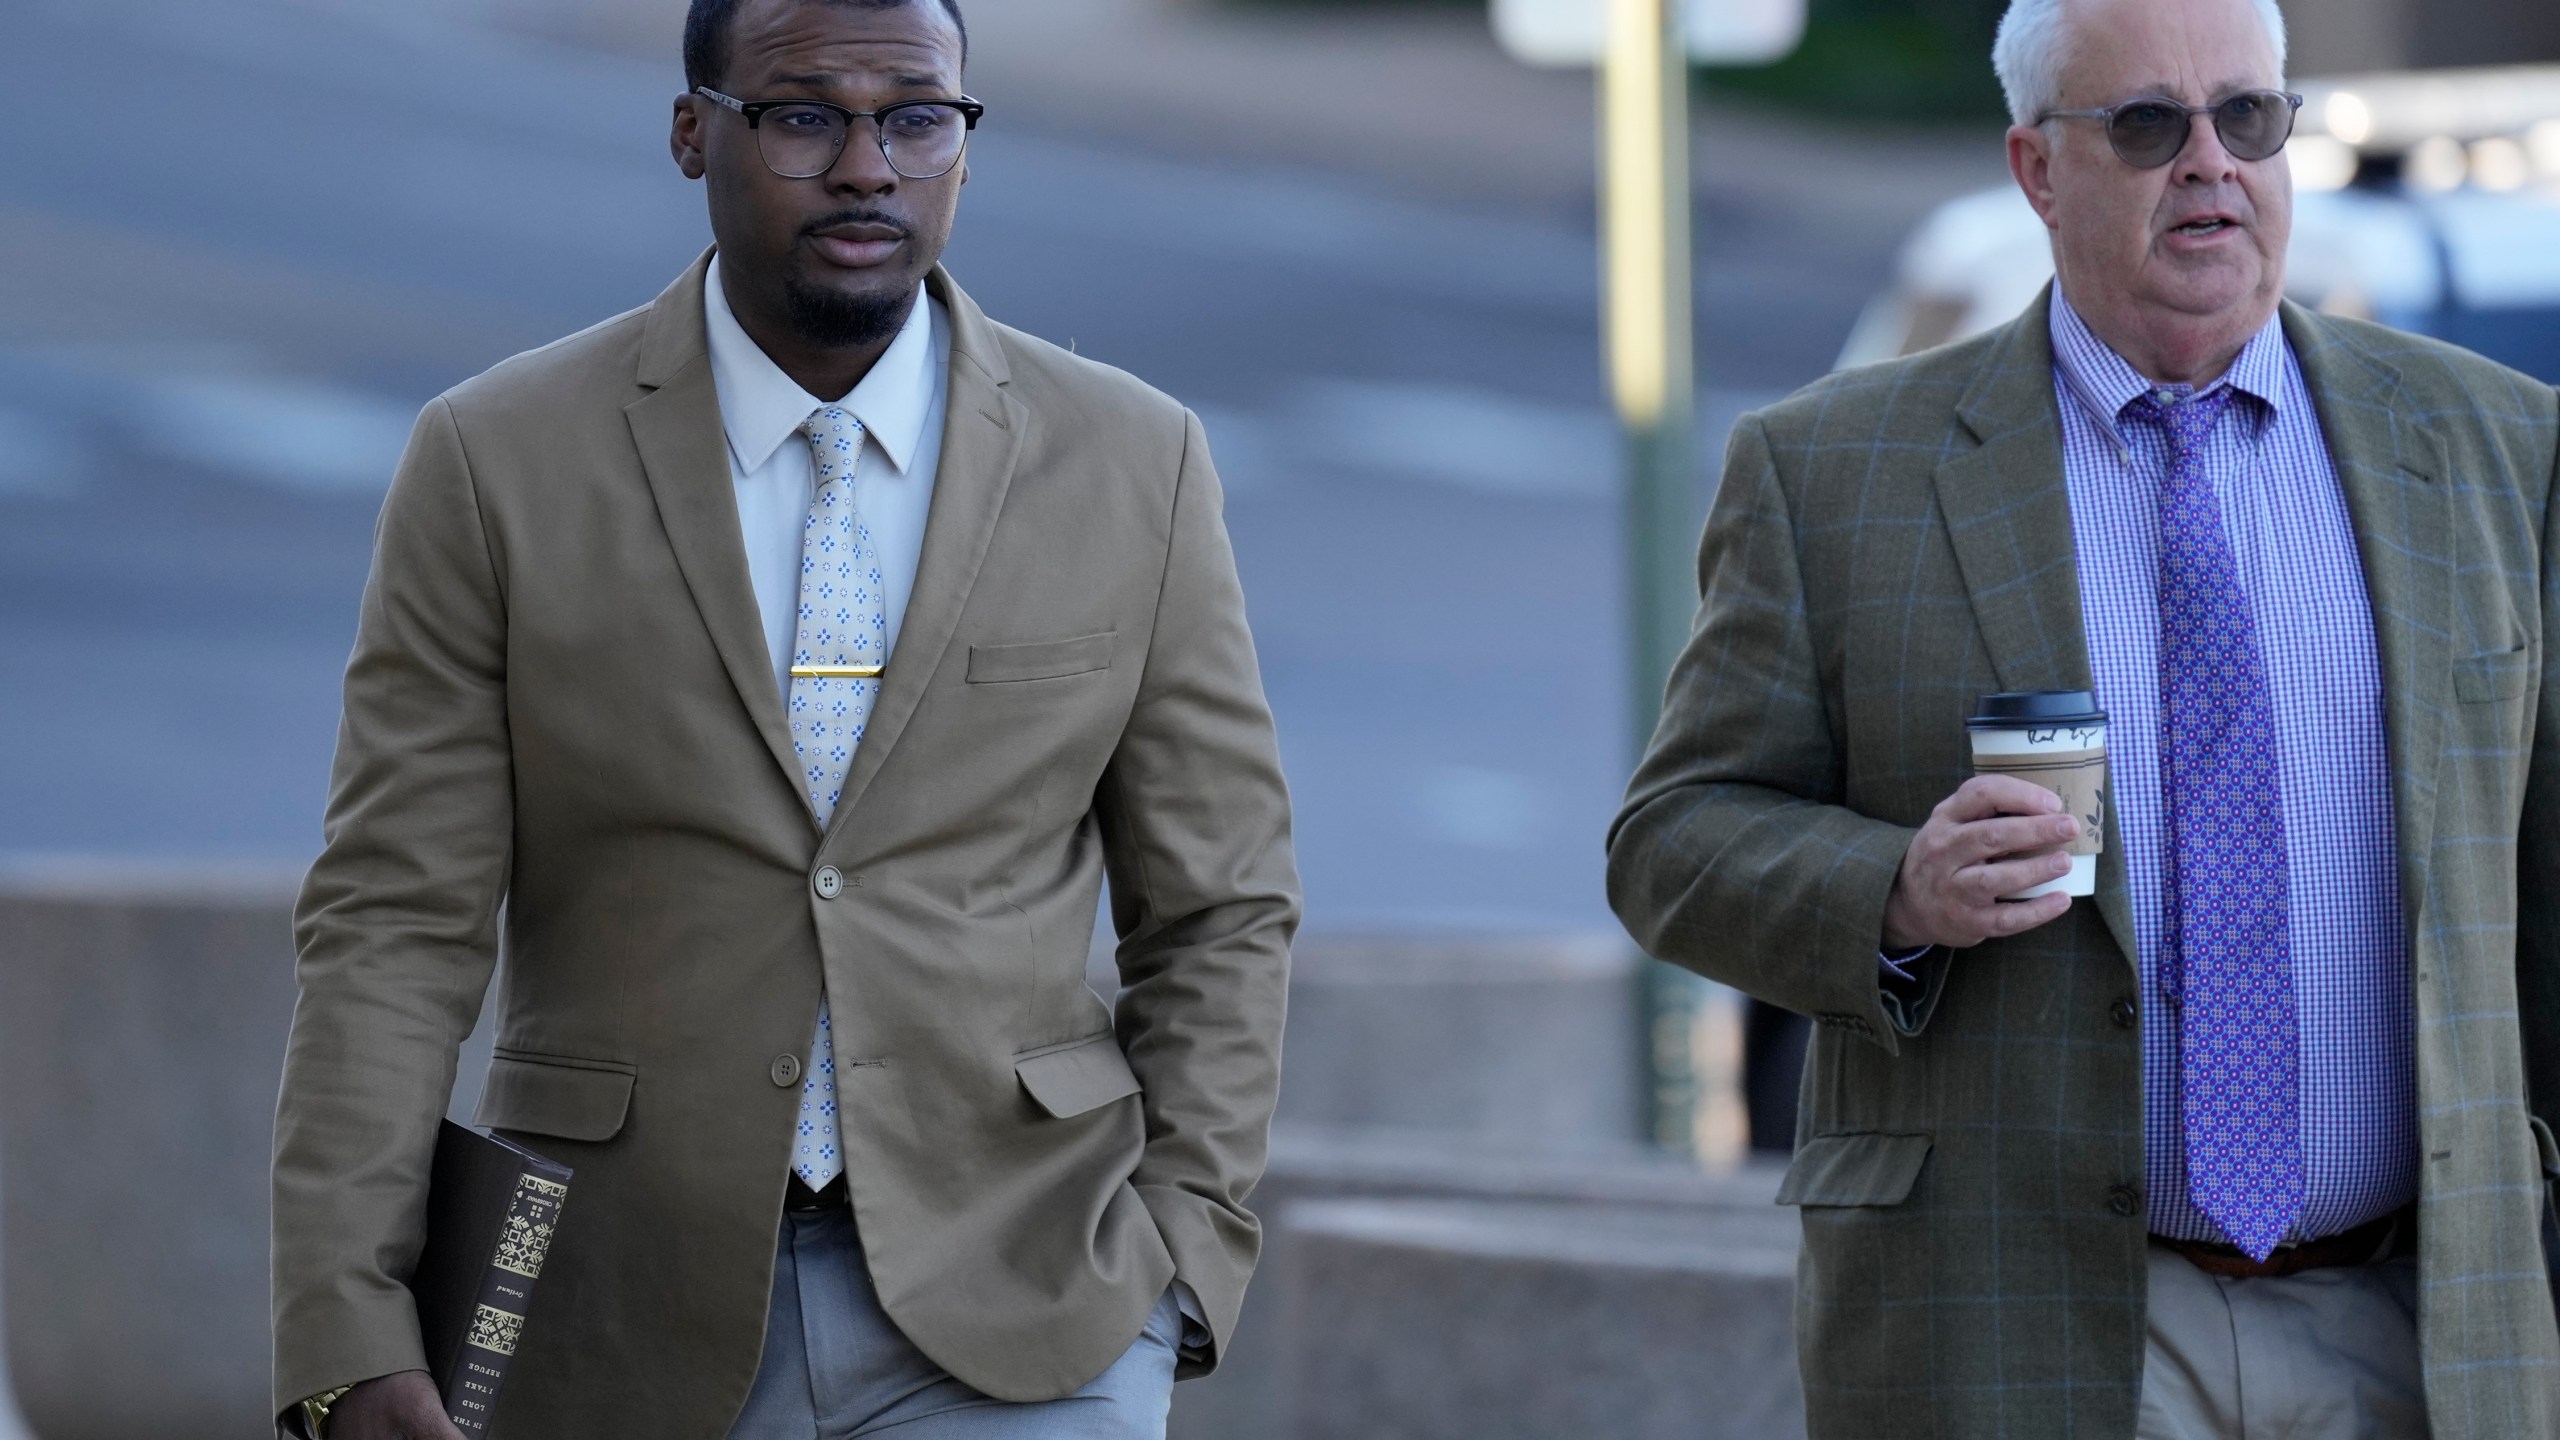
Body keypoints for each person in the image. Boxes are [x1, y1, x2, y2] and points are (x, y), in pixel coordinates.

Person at [268, 0, 1299, 1435]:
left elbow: (1222, 902)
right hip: (614, 1314)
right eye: (805, 115)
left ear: (962, 143)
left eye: (918, 117)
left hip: (1032, 1298)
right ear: (695, 132)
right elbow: (394, 919)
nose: (869, 165)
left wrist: (1182, 1249)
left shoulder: (1138, 461)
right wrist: (347, 1319)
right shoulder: (495, 462)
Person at [1607, 0, 2560, 1432]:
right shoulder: (1832, 473)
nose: (2210, 165)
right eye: (2147, 125)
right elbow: (1671, 844)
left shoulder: (2496, 448)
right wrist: (1898, 890)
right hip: (2032, 1322)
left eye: (2247, 118)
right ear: (2038, 169)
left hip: (2414, 1326)